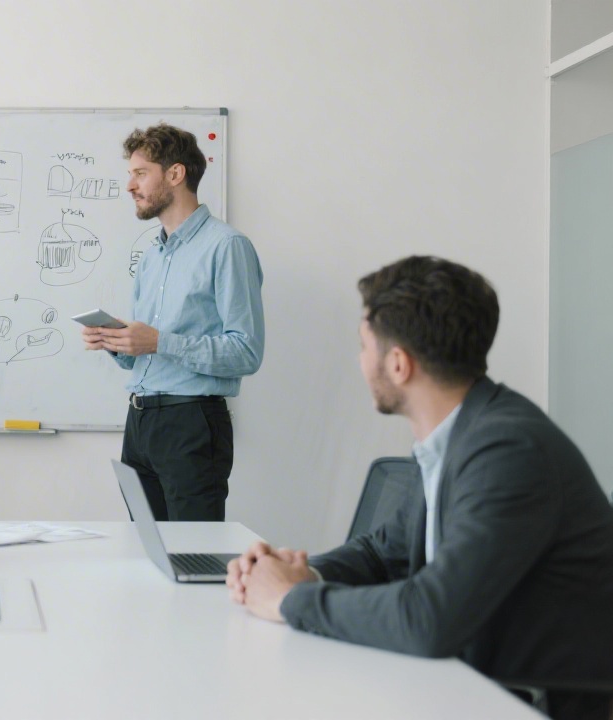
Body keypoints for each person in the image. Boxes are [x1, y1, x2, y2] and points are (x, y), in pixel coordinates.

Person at [227, 256, 613, 720]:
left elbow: (429, 618)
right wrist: (299, 573)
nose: (359, 360)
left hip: (537, 703)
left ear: (398, 364)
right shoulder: (459, 436)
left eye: (363, 346)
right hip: (469, 685)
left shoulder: (508, 450)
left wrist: (290, 599)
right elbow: (381, 553)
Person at [82, 123, 264, 521]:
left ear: (175, 174)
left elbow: (246, 352)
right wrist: (117, 342)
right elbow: (143, 355)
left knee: (191, 551)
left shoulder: (227, 247)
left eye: (140, 173)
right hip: (139, 422)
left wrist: (160, 341)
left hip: (191, 423)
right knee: (144, 547)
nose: (130, 185)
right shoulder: (151, 257)